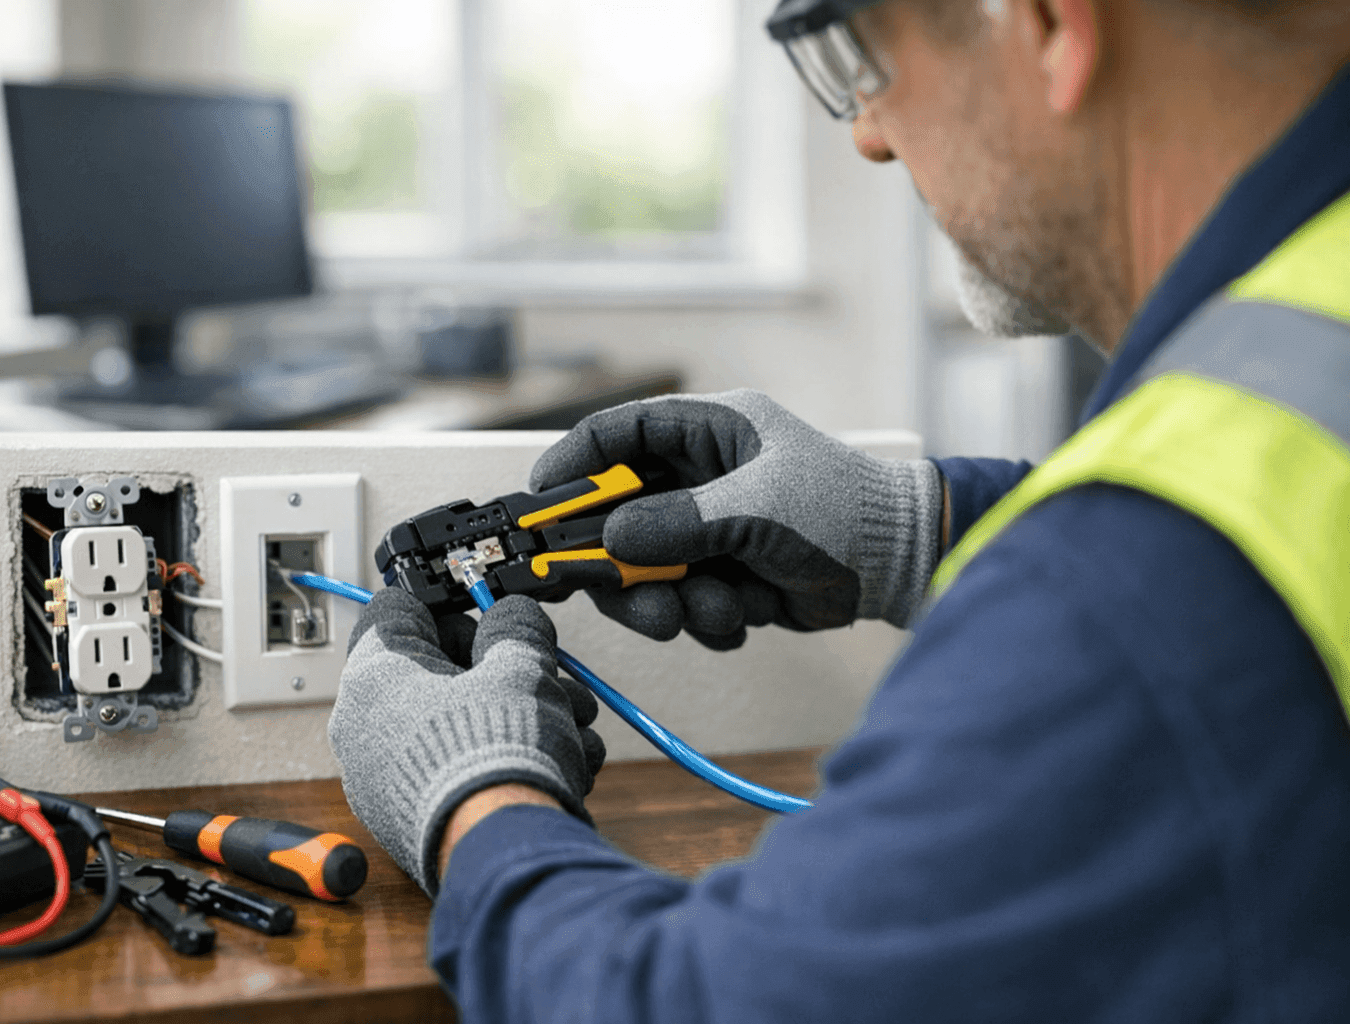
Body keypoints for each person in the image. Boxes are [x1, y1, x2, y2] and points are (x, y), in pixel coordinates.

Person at [327, 0, 1350, 1018]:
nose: (866, 134)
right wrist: (917, 524)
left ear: (1047, 23)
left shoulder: (1125, 602)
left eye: (855, 51)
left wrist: (473, 799)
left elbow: (694, 1003)